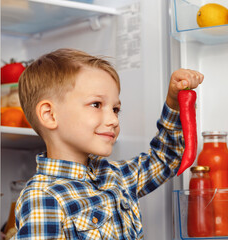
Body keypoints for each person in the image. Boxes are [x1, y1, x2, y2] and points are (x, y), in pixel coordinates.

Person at [12, 48, 203, 239]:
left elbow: (166, 156)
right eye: (96, 105)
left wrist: (174, 102)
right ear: (50, 115)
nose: (113, 120)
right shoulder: (44, 197)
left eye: (115, 109)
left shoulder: (116, 177)